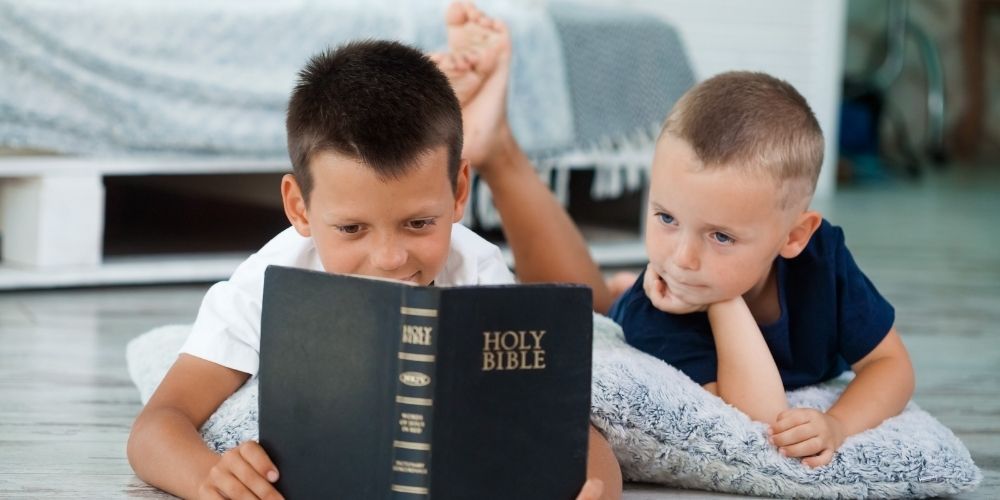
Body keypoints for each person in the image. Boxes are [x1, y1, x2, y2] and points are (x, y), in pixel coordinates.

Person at [127, 5, 622, 500]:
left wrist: (593, 489)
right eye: (351, 228)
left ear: (457, 193)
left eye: (418, 223)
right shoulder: (267, 283)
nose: (389, 258)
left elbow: (569, 431)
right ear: (299, 207)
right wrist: (208, 478)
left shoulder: (476, 270)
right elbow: (158, 425)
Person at [609, 71, 915, 468]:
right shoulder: (660, 306)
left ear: (794, 236)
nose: (682, 258)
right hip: (632, 308)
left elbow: (891, 365)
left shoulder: (821, 260)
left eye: (720, 236)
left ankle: (614, 285)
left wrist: (838, 424)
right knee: (609, 305)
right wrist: (724, 302)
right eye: (666, 217)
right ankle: (613, 291)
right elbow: (760, 419)